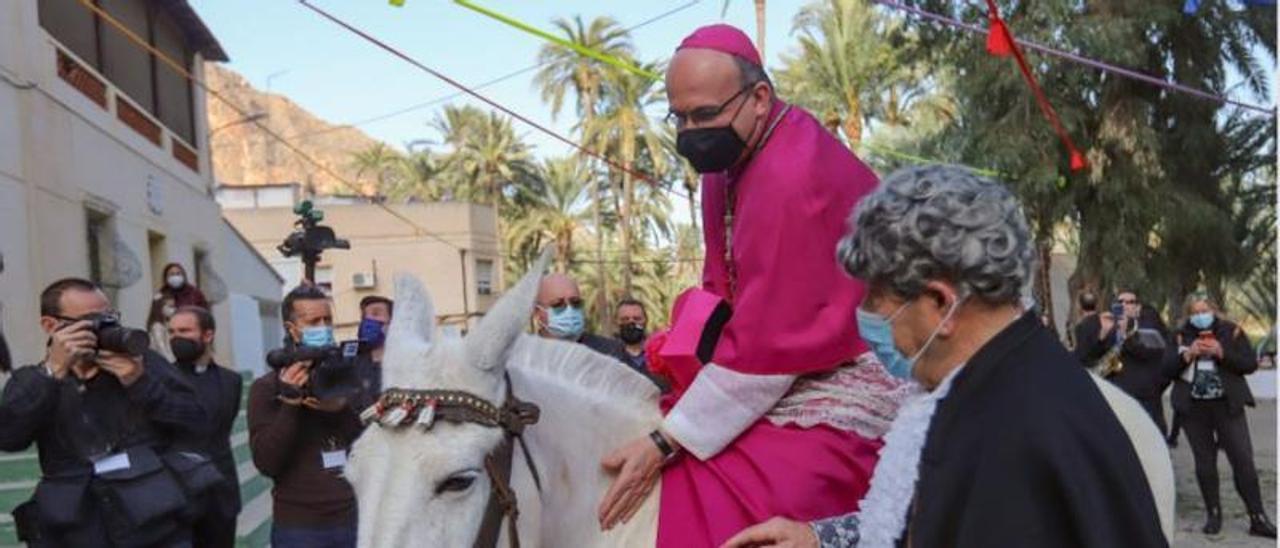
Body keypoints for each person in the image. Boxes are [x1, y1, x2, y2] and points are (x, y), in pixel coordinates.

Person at [724, 165, 1168, 548]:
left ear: (941, 303)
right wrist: (821, 538)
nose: (864, 319)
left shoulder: (1008, 434)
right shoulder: (1006, 382)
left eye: (875, 299)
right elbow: (935, 519)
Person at [597, 24, 908, 547]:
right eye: (680, 117)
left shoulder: (794, 176)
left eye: (706, 114)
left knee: (770, 479)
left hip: (860, 360)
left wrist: (664, 442)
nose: (692, 131)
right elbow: (727, 287)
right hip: (779, 362)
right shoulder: (725, 163)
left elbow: (775, 346)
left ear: (759, 98)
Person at [0, 278, 209, 546]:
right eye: (90, 319)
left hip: (154, 526)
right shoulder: (31, 381)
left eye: (109, 316)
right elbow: (9, 437)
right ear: (51, 326)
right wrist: (52, 373)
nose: (104, 326)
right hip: (78, 531)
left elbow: (197, 421)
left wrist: (140, 383)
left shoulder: (145, 364)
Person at [248, 285, 362, 548]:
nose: (323, 327)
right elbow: (267, 462)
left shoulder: (343, 375)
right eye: (313, 321)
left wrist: (340, 410)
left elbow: (364, 445)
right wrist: (290, 404)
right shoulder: (267, 388)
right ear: (292, 329)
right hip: (299, 528)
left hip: (351, 519)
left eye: (328, 320)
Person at [1166, 294, 1276, 537]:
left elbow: (1249, 364)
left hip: (1227, 405)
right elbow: (1166, 370)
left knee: (1243, 460)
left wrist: (1221, 353)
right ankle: (1213, 514)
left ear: (1214, 310)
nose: (1200, 315)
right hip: (1193, 409)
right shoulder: (1179, 335)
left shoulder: (1231, 331)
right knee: (1204, 462)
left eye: (1205, 310)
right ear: (1188, 314)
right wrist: (1186, 355)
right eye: (1195, 311)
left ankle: (1257, 517)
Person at [167, 306, 243, 548]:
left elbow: (221, 428)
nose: (176, 337)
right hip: (175, 497)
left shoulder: (231, 381)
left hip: (219, 494)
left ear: (207, 335)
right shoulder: (160, 379)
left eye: (184, 330)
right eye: (172, 331)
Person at [1075, 289, 1171, 434]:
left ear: (1137, 308)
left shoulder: (1149, 327)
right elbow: (1087, 358)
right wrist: (1101, 336)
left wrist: (1125, 333)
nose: (1124, 305)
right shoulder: (1108, 326)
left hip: (1143, 397)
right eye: (1120, 302)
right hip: (1115, 394)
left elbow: (1148, 353)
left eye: (1130, 302)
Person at [147, 263, 211, 360]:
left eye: (178, 273)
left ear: (183, 275)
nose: (175, 277)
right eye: (171, 274)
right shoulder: (160, 296)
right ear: (166, 277)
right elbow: (153, 321)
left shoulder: (194, 294)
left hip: (192, 338)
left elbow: (206, 317)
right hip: (169, 341)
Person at [351, 295, 393, 411]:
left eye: (375, 314)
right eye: (364, 316)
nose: (368, 319)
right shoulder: (351, 363)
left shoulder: (404, 363)